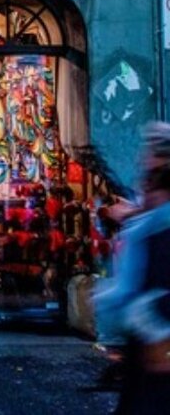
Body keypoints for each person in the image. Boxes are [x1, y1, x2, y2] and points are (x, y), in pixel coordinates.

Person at [95, 122, 170, 413]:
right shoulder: (149, 227)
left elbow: (129, 299)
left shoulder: (153, 232)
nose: (142, 162)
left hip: (155, 360)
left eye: (149, 173)